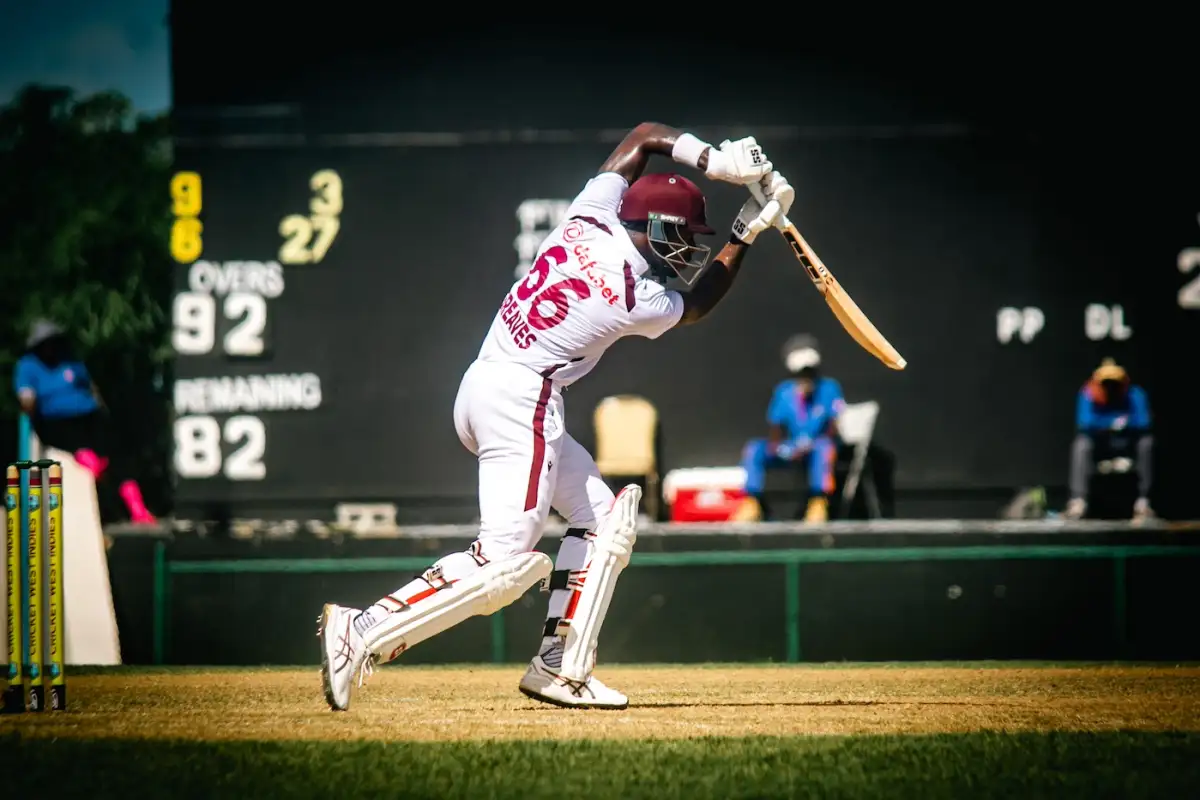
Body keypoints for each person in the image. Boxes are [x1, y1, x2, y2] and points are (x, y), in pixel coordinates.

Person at [318, 122, 794, 711]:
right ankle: (361, 630)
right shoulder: (632, 295)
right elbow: (695, 305)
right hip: (524, 400)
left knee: (602, 519)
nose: (691, 246)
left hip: (483, 380)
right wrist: (747, 231)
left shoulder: (588, 215)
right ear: (658, 227)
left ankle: (559, 667)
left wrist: (712, 161)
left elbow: (644, 136)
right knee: (503, 563)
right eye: (686, 234)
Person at [13, 319, 157, 524]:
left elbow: (90, 388)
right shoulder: (28, 366)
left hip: (87, 415)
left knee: (118, 455)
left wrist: (101, 408)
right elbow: (26, 398)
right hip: (55, 420)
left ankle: (138, 509)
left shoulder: (70, 361)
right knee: (73, 440)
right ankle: (92, 463)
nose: (51, 347)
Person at [734, 334, 845, 523]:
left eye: (809, 372)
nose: (805, 377)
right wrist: (780, 447)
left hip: (817, 446)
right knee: (754, 449)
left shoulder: (829, 388)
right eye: (801, 373)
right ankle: (751, 502)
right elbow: (776, 428)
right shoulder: (784, 391)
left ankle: (818, 502)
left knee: (824, 448)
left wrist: (810, 445)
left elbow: (833, 428)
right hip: (792, 446)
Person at [1065, 358, 1154, 522]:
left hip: (1127, 443)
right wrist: (1112, 424)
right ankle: (1078, 501)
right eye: (1106, 383)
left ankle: (1144, 501)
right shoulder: (1089, 394)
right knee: (1081, 445)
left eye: (1115, 383)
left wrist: (1120, 426)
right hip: (1100, 444)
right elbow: (1085, 423)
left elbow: (1143, 422)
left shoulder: (1135, 394)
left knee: (1146, 443)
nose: (1110, 387)